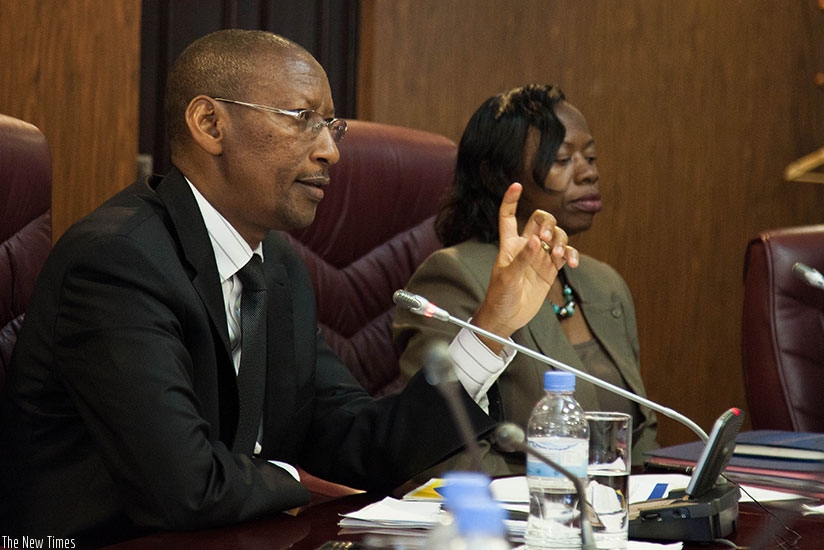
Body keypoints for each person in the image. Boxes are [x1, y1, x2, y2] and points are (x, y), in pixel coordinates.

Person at [0, 31, 579, 544]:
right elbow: (183, 487)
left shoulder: (275, 264)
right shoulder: (118, 261)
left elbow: (360, 443)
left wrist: (491, 326)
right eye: (301, 117)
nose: (330, 150)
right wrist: (297, 478)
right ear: (209, 125)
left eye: (331, 125)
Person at [394, 84, 658, 480]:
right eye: (562, 159)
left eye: (590, 157)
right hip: (522, 509)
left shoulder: (605, 284)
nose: (589, 172)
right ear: (497, 175)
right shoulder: (453, 277)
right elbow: (443, 454)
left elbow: (641, 436)